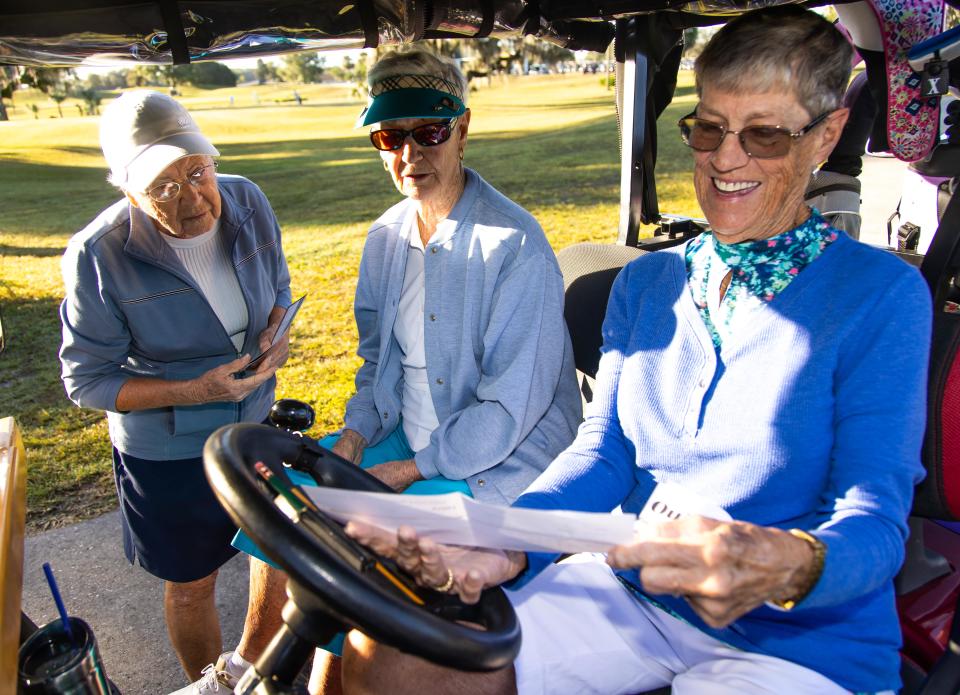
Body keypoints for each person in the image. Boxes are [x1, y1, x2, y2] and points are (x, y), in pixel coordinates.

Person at [340, 8, 933, 694]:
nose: (725, 159)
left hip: (798, 642)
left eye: (764, 134)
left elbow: (875, 521)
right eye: (709, 127)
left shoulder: (881, 296)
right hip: (632, 591)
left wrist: (789, 562)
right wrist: (506, 536)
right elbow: (604, 453)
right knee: (389, 658)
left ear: (826, 135)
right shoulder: (648, 282)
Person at [227, 46, 582, 693]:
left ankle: (326, 671)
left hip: (495, 459)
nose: (408, 155)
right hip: (409, 431)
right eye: (391, 136)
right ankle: (254, 662)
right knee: (283, 501)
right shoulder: (386, 238)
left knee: (368, 546)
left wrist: (408, 469)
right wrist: (357, 436)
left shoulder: (517, 247)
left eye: (430, 132)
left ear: (462, 130)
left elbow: (506, 413)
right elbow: (376, 367)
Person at [58, 90, 293, 688]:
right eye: (163, 186)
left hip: (252, 423)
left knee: (278, 545)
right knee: (193, 583)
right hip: (168, 450)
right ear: (126, 189)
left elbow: (280, 284)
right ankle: (210, 684)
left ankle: (250, 666)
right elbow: (87, 380)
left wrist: (278, 330)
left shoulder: (249, 199)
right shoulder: (98, 254)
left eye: (197, 171)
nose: (192, 198)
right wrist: (194, 390)